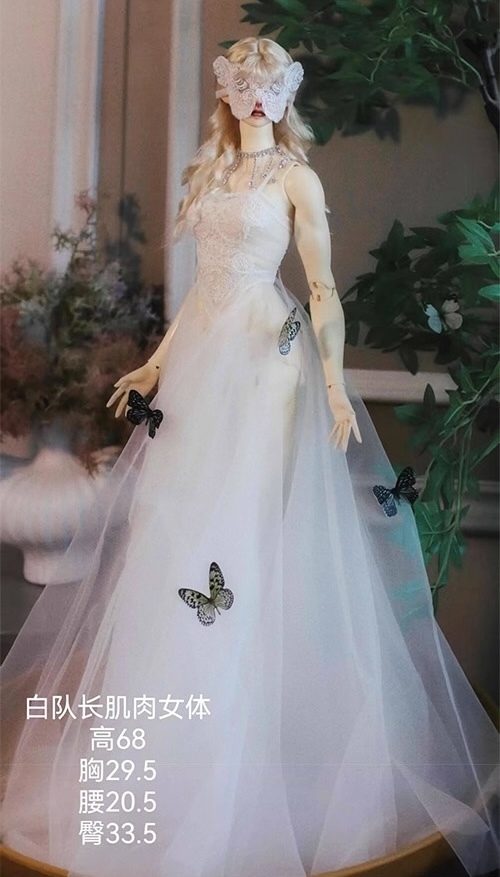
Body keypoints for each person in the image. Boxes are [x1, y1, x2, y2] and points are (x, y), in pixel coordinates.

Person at [1, 36, 499, 877]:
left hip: (270, 361)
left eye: (271, 87)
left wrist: (335, 384)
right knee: (179, 534)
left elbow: (323, 290)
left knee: (248, 535)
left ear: (286, 95)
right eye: (244, 85)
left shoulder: (297, 180)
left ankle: (257, 742)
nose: (258, 99)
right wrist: (156, 363)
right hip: (204, 363)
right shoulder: (214, 177)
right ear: (227, 95)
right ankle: (183, 741)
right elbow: (205, 289)